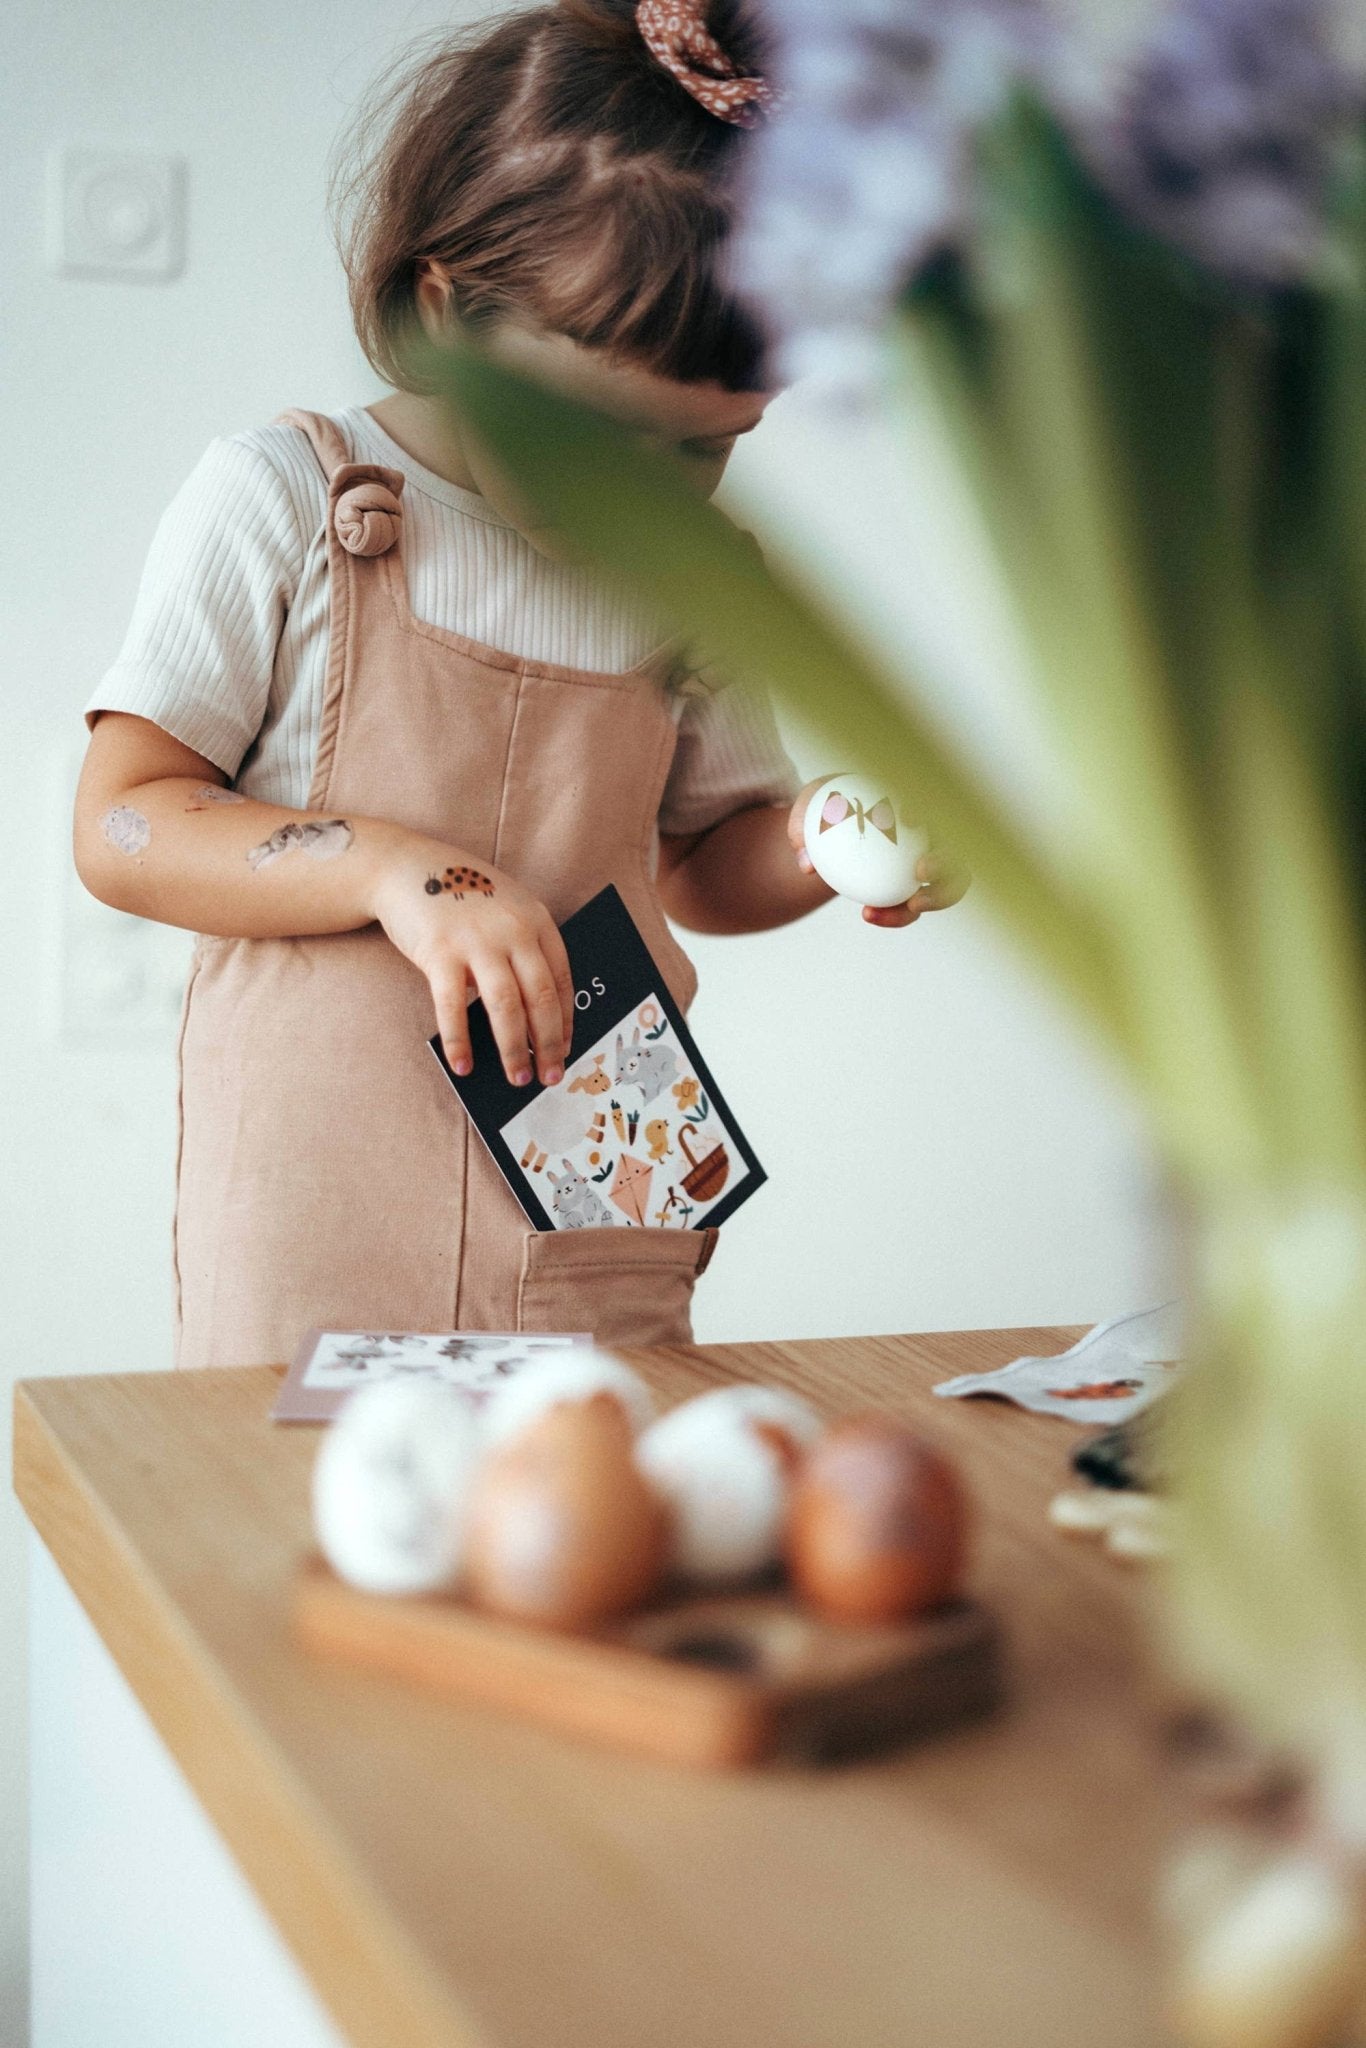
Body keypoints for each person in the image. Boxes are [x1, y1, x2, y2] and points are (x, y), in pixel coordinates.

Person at [73, 0, 963, 1367]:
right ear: (448, 319)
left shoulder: (697, 574)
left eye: (707, 449)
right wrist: (396, 871)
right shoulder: (282, 499)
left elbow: (699, 871)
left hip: (599, 1142)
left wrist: (820, 841)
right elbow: (123, 823)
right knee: (302, 1481)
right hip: (319, 1171)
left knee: (601, 1468)